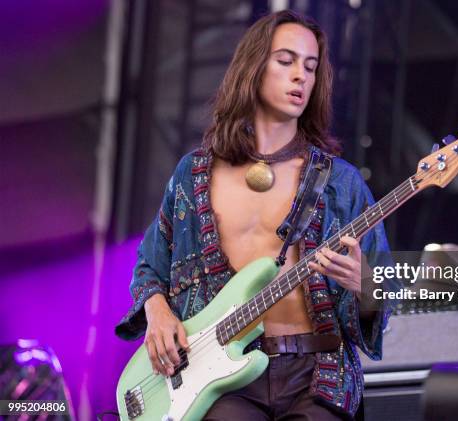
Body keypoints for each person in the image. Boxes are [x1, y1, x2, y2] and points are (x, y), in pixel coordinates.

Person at [116, 10, 393, 420]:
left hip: (317, 375)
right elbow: (149, 269)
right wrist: (157, 312)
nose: (301, 75)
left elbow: (383, 298)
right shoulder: (193, 176)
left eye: (311, 66)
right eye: (286, 61)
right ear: (253, 68)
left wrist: (364, 283)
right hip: (220, 378)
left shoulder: (341, 183)